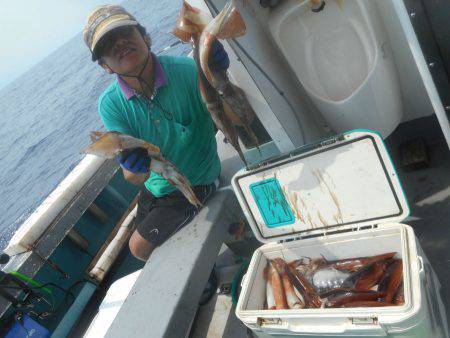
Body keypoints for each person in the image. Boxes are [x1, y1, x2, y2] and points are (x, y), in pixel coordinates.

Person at [83, 5, 229, 262]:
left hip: (197, 180)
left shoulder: (188, 71)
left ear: (146, 37)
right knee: (137, 236)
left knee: (137, 248)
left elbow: (234, 119)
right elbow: (134, 178)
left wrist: (218, 76)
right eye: (108, 44)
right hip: (156, 186)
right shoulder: (110, 104)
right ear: (105, 66)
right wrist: (135, 166)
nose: (120, 43)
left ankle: (206, 275)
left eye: (125, 32)